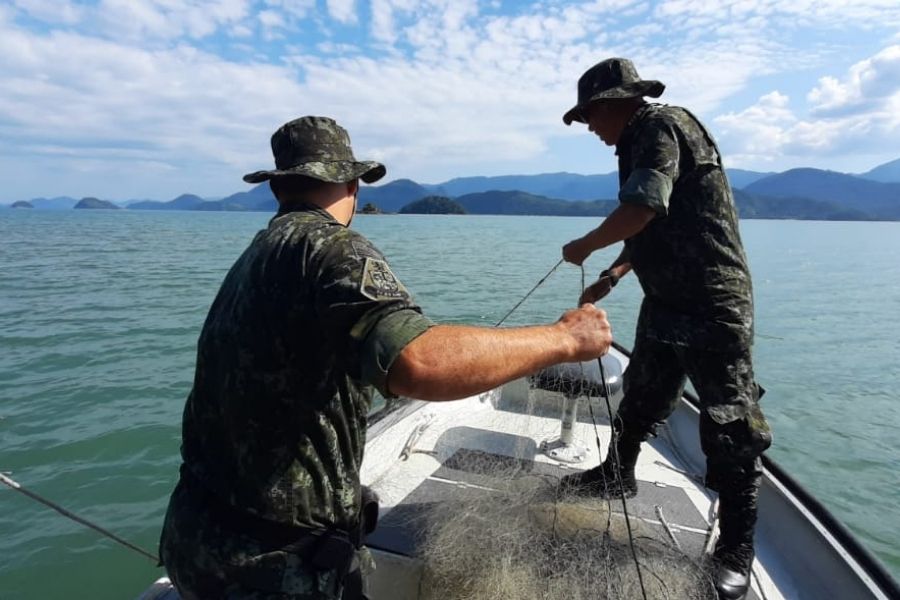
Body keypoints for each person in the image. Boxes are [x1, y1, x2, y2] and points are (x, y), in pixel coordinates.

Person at [159, 115, 613, 599]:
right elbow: (420, 363)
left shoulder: (258, 253)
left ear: (278, 189)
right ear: (350, 184)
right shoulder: (331, 248)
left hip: (197, 537)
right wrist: (566, 338)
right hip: (272, 569)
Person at [558, 59, 772, 600]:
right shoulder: (637, 140)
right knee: (643, 394)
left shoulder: (660, 127)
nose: (590, 128)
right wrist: (612, 274)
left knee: (730, 424)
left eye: (589, 116)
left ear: (612, 103)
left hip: (711, 302)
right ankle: (616, 475)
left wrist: (586, 246)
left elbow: (644, 206)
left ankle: (736, 547)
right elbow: (652, 225)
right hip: (665, 301)